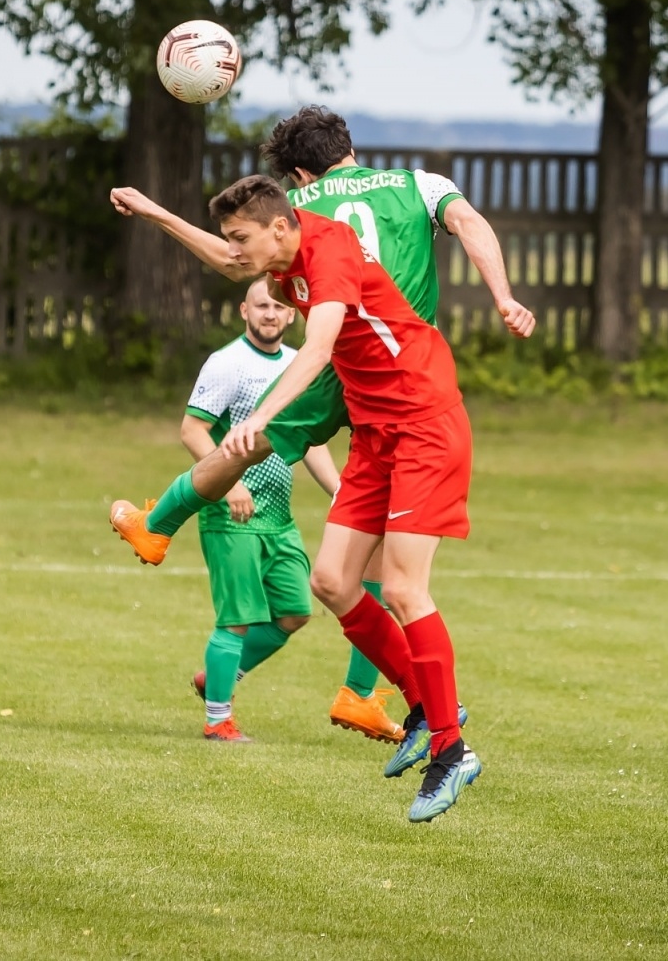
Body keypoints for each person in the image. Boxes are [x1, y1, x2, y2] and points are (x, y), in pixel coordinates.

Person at [111, 107, 534, 745]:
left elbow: (235, 263)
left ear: (298, 175)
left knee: (248, 448)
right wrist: (502, 295)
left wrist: (157, 213)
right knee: (360, 560)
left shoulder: (298, 209)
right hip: (396, 370)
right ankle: (363, 694)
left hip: (341, 361)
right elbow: (470, 223)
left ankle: (158, 523)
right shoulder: (418, 184)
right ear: (350, 148)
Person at [175, 278, 340, 741]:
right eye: (260, 306)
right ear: (244, 311)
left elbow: (306, 440)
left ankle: (217, 679)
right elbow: (193, 430)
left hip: (278, 520)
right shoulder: (227, 363)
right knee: (237, 619)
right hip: (232, 516)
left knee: (294, 611)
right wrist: (231, 486)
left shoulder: (299, 366)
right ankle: (217, 720)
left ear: (292, 315)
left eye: (278, 307)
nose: (270, 313)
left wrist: (339, 489)